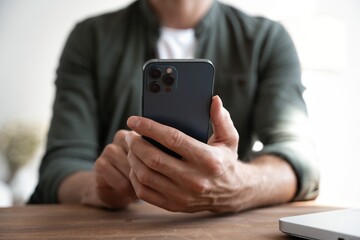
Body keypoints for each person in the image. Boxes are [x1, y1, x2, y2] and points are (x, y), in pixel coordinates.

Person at [29, 0, 319, 213]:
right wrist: (100, 188)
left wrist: (237, 184)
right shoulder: (90, 37)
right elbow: (60, 165)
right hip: (121, 227)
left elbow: (298, 156)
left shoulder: (267, 40)